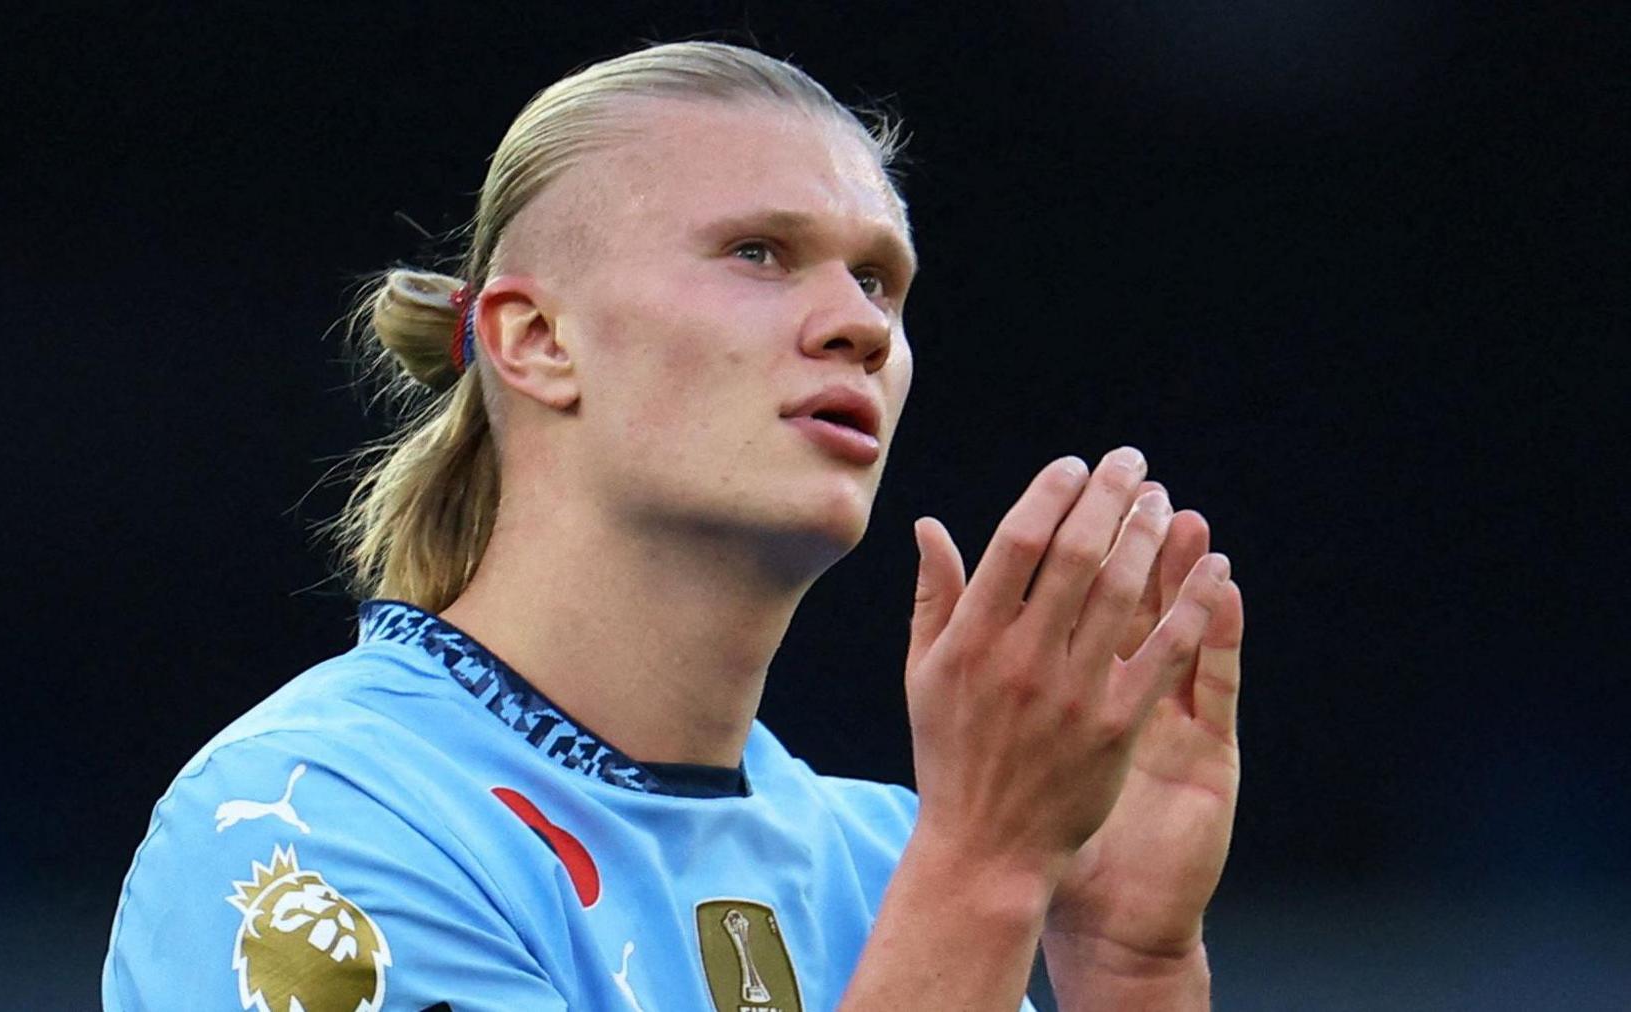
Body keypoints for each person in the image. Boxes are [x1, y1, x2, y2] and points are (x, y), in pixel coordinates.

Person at [103, 40, 1244, 1011]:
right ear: (537, 338)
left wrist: (1127, 965)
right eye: (760, 252)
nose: (857, 323)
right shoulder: (307, 824)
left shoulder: (886, 864)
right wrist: (992, 866)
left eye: (881, 281)